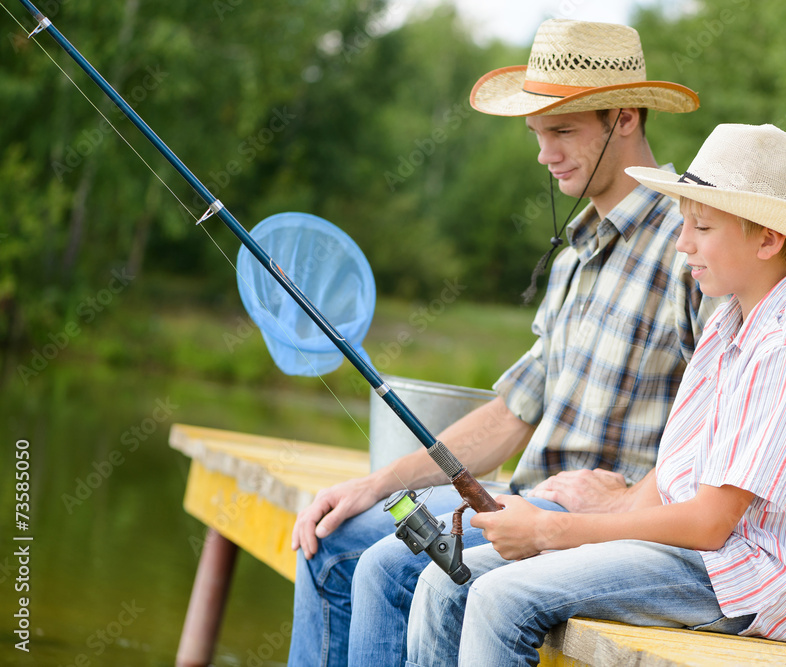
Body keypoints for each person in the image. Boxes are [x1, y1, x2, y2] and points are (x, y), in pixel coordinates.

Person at [289, 19, 716, 666]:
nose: (545, 153)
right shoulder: (576, 256)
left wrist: (628, 501)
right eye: (538, 134)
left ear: (625, 116)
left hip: (610, 523)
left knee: (384, 567)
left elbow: (727, 409)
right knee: (335, 532)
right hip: (523, 497)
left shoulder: (696, 244)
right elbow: (513, 412)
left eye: (563, 130)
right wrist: (373, 485)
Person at [405, 123, 786, 666]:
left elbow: (711, 524)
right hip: (692, 553)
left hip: (740, 577)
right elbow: (683, 466)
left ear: (768, 239)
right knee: (446, 583)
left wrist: (557, 530)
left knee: (502, 597)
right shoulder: (730, 326)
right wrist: (601, 507)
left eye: (703, 227)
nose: (682, 242)